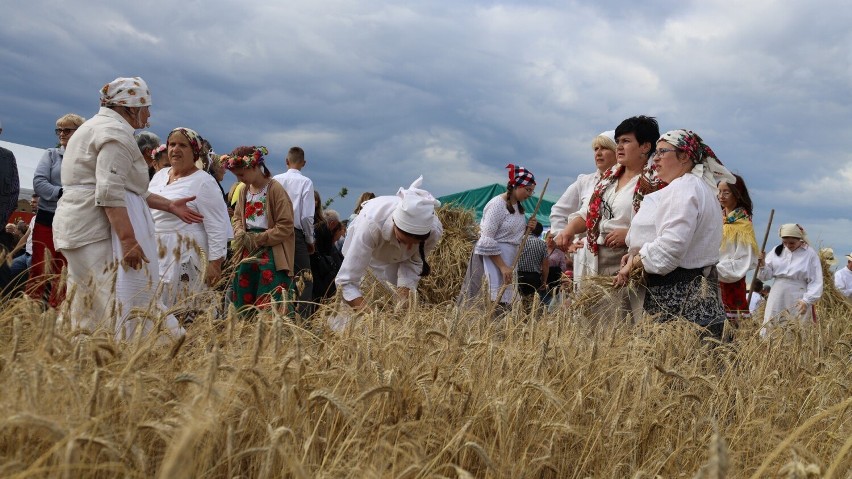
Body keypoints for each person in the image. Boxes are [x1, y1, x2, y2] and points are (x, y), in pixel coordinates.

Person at [53, 77, 199, 341]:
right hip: (94, 228)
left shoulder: (93, 127)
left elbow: (131, 189)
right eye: (146, 107)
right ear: (131, 107)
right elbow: (109, 190)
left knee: (86, 299)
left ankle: (78, 353)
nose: (149, 114)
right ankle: (116, 356)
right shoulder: (115, 134)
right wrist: (129, 240)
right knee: (109, 300)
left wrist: (168, 205)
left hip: (77, 223)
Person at [616, 129, 735, 337]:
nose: (656, 158)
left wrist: (631, 265)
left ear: (685, 156)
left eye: (663, 152)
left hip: (678, 293)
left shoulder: (684, 188)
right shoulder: (698, 188)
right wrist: (636, 253)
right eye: (656, 153)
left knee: (676, 358)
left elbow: (669, 249)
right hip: (697, 291)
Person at [556, 116, 661, 324]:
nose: (619, 147)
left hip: (627, 263)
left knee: (620, 323)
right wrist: (568, 230)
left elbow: (660, 224)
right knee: (591, 323)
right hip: (596, 259)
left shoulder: (654, 182)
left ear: (645, 146)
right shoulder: (608, 178)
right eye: (618, 141)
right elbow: (588, 213)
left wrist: (630, 234)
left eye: (626, 141)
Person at [149, 127, 233, 308]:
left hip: (186, 255)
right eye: (172, 144)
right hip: (157, 251)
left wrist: (215, 264)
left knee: (184, 309)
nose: (175, 149)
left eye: (182, 145)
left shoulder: (204, 181)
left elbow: (217, 226)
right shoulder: (160, 176)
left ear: (194, 151)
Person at [336, 176, 443, 311]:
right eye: (403, 241)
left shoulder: (433, 230)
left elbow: (414, 262)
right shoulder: (370, 225)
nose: (409, 248)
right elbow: (346, 282)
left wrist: (404, 297)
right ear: (395, 225)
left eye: (415, 243)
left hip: (394, 269)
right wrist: (370, 317)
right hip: (367, 264)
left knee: (393, 308)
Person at [222, 146, 295, 317]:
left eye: (241, 175)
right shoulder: (244, 190)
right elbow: (238, 217)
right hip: (247, 252)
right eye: (237, 176)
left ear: (254, 166)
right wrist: (240, 231)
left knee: (270, 301)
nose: (240, 179)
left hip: (270, 254)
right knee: (244, 300)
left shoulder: (275, 189)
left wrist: (259, 238)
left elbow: (286, 225)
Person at [458, 165, 536, 309]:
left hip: (508, 258)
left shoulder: (519, 208)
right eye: (528, 190)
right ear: (516, 186)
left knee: (503, 302)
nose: (530, 194)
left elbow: (510, 234)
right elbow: (486, 239)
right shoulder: (496, 205)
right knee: (484, 300)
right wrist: (502, 266)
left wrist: (527, 229)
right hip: (492, 259)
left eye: (532, 191)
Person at [27, 114, 85, 307]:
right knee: (39, 268)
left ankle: (56, 316)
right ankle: (31, 312)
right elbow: (38, 183)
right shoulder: (51, 154)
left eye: (67, 130)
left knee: (64, 271)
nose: (62, 134)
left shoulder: (87, 158)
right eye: (59, 130)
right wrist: (62, 193)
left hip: (72, 220)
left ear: (79, 132)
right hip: (47, 219)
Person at [550, 131, 617, 286]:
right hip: (585, 255)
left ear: (616, 151)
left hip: (613, 254)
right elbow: (558, 212)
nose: (598, 154)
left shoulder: (627, 180)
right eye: (596, 149)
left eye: (604, 148)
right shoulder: (585, 181)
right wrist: (566, 240)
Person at [756, 224, 823, 336]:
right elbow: (766, 276)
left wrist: (806, 300)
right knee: (772, 322)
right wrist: (762, 264)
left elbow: (816, 281)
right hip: (777, 293)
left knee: (796, 326)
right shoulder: (776, 251)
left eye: (792, 243)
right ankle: (770, 350)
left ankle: (794, 352)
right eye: (785, 242)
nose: (788, 245)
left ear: (800, 240)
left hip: (798, 294)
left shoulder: (810, 254)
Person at [272, 147, 315, 318]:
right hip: (294, 234)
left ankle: (276, 315)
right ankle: (302, 319)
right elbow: (306, 217)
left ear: (286, 161)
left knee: (279, 276)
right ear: (303, 163)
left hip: (274, 233)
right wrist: (310, 239)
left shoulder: (275, 180)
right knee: (305, 278)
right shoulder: (306, 182)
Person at [716, 174, 758, 322]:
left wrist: (715, 269)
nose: (721, 196)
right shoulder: (716, 219)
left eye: (726, 192)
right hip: (709, 281)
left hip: (729, 282)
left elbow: (743, 260)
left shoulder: (743, 225)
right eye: (719, 191)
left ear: (737, 193)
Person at [311, 200, 345, 303]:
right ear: (332, 223)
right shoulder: (324, 229)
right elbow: (326, 251)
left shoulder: (316, 227)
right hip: (321, 270)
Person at [517, 221, 548, 308]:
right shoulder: (542, 244)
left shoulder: (518, 241)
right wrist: (544, 281)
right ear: (540, 232)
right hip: (533, 278)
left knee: (517, 302)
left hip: (518, 275)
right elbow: (545, 265)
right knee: (530, 305)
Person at [543, 230, 571, 304]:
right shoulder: (542, 249)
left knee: (553, 295)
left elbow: (563, 266)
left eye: (553, 238)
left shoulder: (559, 252)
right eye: (549, 238)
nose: (551, 240)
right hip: (542, 276)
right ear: (545, 238)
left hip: (554, 278)